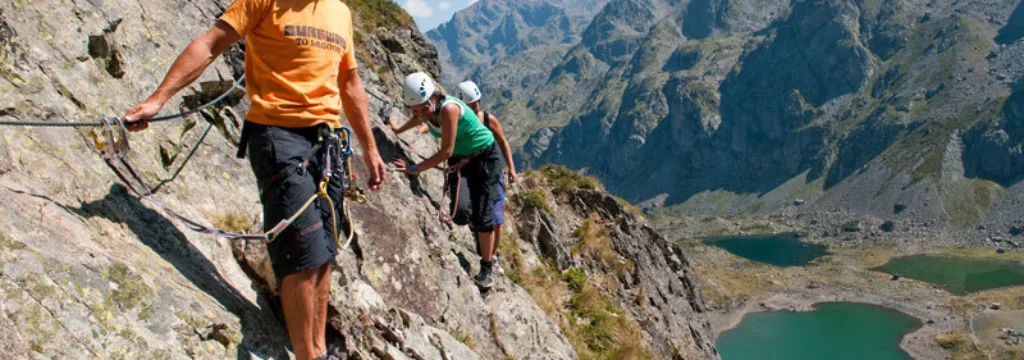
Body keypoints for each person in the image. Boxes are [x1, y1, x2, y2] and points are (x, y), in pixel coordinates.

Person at [121, 1, 387, 359]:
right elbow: (210, 44)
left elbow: (350, 83)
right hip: (279, 136)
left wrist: (371, 149)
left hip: (327, 143)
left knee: (324, 250)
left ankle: (319, 350)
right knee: (301, 249)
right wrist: (157, 100)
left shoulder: (339, 11)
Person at [389, 72, 501, 289]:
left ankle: (487, 266)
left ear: (431, 99)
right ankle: (480, 229)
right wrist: (396, 129)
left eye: (423, 108)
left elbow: (446, 152)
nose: (420, 113)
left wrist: (415, 169)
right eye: (415, 110)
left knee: (483, 215)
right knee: (460, 214)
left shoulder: (449, 109)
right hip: (462, 160)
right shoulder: (424, 111)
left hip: (485, 157)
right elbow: (417, 120)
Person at [454, 80, 517, 269]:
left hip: (491, 173)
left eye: (477, 103)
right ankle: (482, 240)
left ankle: (492, 255)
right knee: (477, 212)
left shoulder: (489, 120)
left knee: (496, 219)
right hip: (471, 173)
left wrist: (511, 168)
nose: (475, 107)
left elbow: (503, 142)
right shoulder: (458, 122)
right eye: (471, 104)